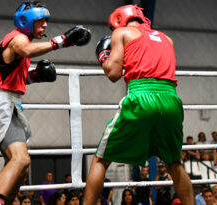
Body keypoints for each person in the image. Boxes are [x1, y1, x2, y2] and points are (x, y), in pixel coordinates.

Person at [0, 1, 90, 205]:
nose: (45, 25)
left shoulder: (21, 42)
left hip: (9, 102)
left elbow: (12, 78)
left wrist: (36, 76)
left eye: (46, 21)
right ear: (26, 21)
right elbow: (26, 50)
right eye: (41, 21)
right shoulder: (18, 39)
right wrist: (61, 41)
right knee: (21, 160)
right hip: (2, 104)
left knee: (22, 169)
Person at [83, 4, 194, 205]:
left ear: (118, 21)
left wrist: (103, 56)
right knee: (174, 164)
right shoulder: (167, 39)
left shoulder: (122, 32)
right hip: (171, 100)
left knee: (100, 160)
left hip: (141, 97)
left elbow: (113, 73)